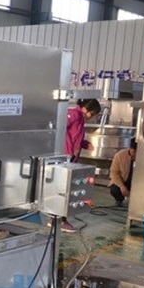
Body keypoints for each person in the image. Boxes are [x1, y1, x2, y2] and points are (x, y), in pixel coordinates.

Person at [60, 98, 101, 233]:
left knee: (68, 188)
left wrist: (84, 144)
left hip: (71, 157)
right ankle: (60, 220)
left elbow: (75, 136)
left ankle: (61, 219)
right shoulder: (74, 114)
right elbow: (61, 126)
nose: (91, 117)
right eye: (92, 114)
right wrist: (68, 149)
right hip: (66, 156)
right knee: (64, 189)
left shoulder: (80, 118)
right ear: (86, 109)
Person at [108, 139, 137, 207]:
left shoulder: (143, 157)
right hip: (124, 181)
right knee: (114, 190)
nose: (135, 154)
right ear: (130, 148)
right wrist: (122, 186)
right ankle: (119, 200)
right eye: (134, 151)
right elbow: (114, 173)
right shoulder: (119, 156)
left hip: (137, 182)